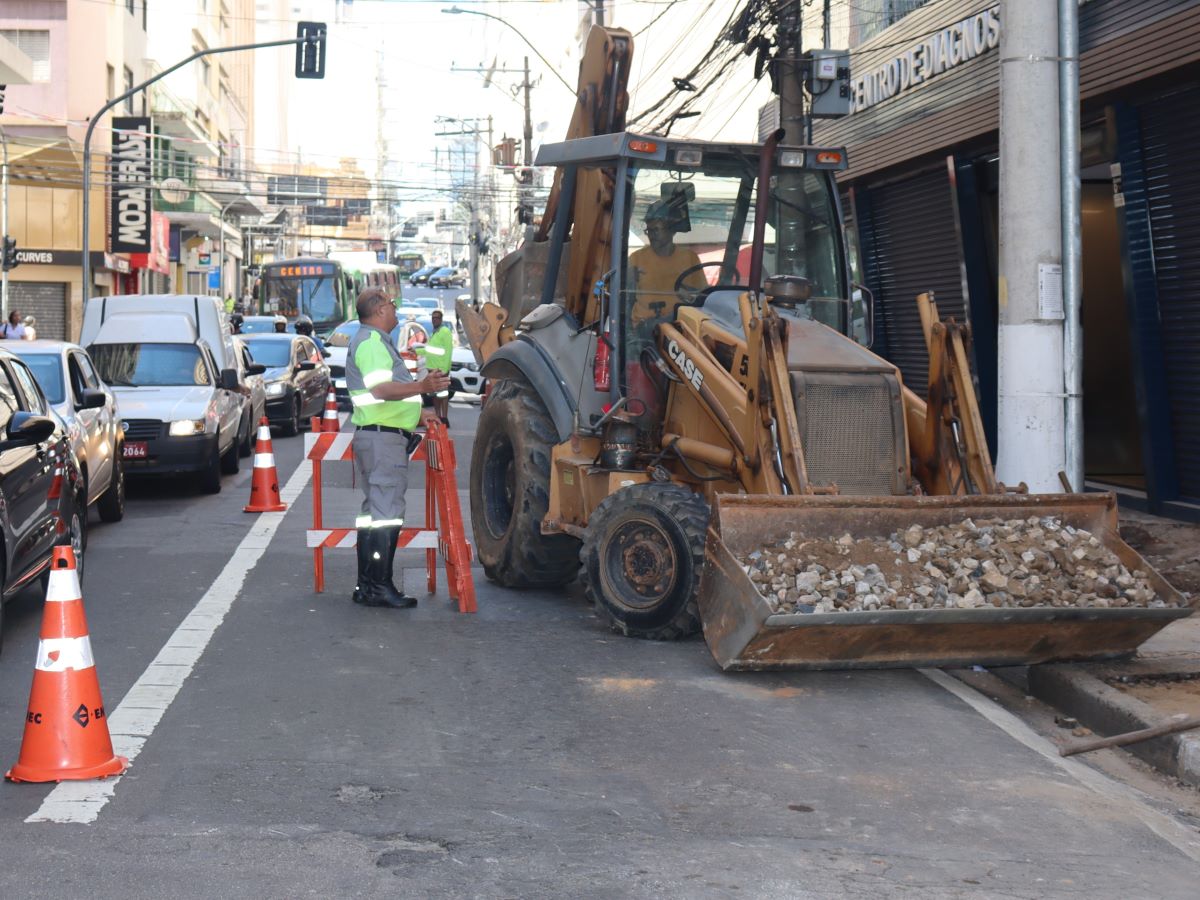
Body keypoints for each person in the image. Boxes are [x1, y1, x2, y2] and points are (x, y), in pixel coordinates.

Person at [346, 287, 449, 609]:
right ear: (378, 311)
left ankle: (368, 585)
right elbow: (380, 390)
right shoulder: (373, 343)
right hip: (383, 441)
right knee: (386, 516)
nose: (395, 310)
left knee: (374, 516)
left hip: (380, 436)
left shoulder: (372, 340)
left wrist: (419, 411)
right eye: (391, 305)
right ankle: (378, 586)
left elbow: (381, 396)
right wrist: (423, 387)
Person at [627, 199, 706, 323]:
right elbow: (625, 299)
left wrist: (690, 296)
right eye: (649, 230)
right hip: (643, 330)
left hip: (680, 326)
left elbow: (703, 298)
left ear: (672, 230)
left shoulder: (690, 259)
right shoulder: (636, 259)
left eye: (656, 230)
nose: (651, 236)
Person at [417, 309, 454, 425]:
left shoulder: (445, 332)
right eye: (433, 318)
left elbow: (448, 351)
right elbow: (430, 350)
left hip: (440, 370)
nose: (434, 320)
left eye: (437, 318)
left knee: (443, 395)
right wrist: (417, 351)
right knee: (435, 396)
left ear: (441, 319)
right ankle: (438, 416)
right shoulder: (435, 332)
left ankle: (444, 418)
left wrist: (445, 370)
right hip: (432, 369)